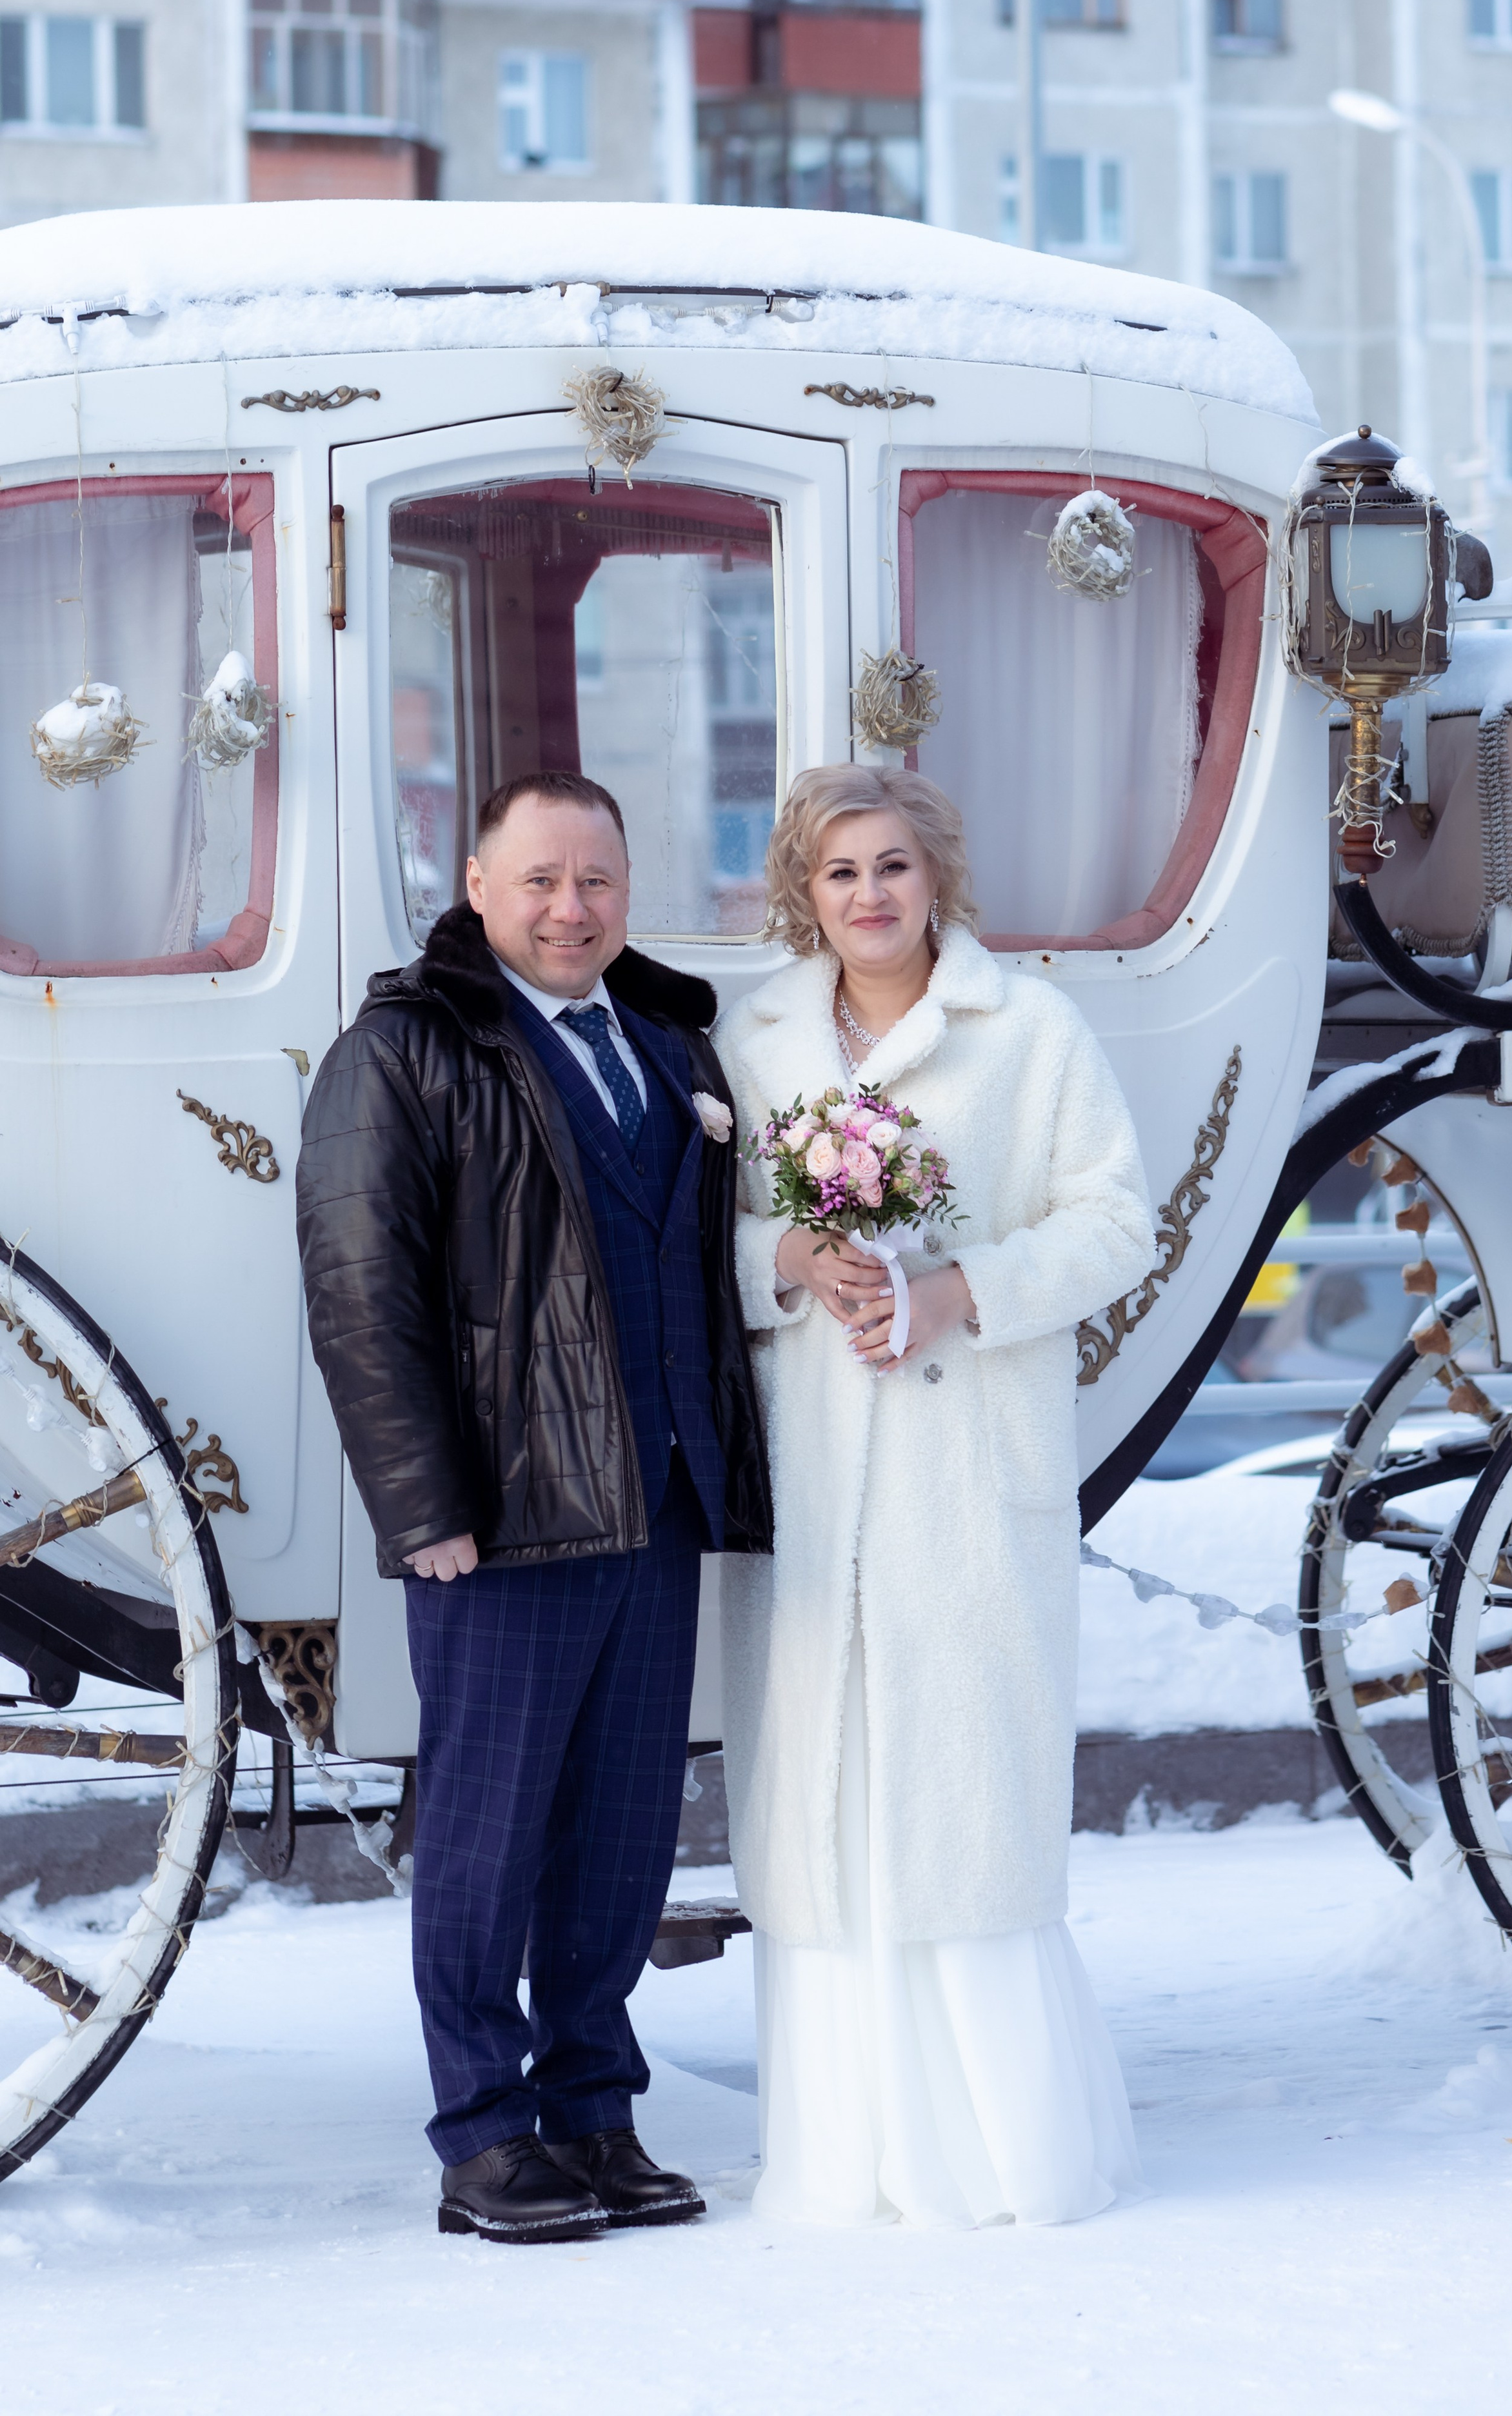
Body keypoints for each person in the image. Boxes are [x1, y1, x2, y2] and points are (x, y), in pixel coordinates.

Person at [295, 770, 771, 2245]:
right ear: (480, 886)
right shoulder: (405, 1048)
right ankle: (484, 2134)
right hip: (499, 1517)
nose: (573, 909)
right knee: (490, 1839)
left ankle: (591, 2107)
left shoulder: (667, 1039)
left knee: (624, 1838)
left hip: (661, 1495)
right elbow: (359, 1296)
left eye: (600, 882)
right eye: (543, 880)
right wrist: (419, 1502)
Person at [713, 763, 1156, 2228]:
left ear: (935, 878)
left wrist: (968, 1286)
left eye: (892, 865)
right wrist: (787, 1262)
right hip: (818, 1459)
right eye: (838, 872)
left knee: (964, 1786)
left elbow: (1114, 1217)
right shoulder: (758, 1036)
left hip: (968, 1461)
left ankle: (1000, 2152)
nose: (868, 895)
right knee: (828, 1790)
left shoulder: (1025, 1029)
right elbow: (703, 1233)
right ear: (803, 891)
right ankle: (844, 2158)